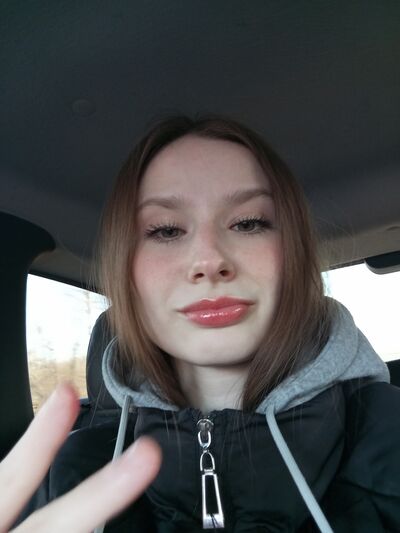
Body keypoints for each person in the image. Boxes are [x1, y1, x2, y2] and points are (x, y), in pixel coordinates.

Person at [4, 115, 400, 532]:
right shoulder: (65, 478)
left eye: (248, 223)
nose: (209, 260)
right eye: (166, 230)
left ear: (294, 255)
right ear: (127, 273)